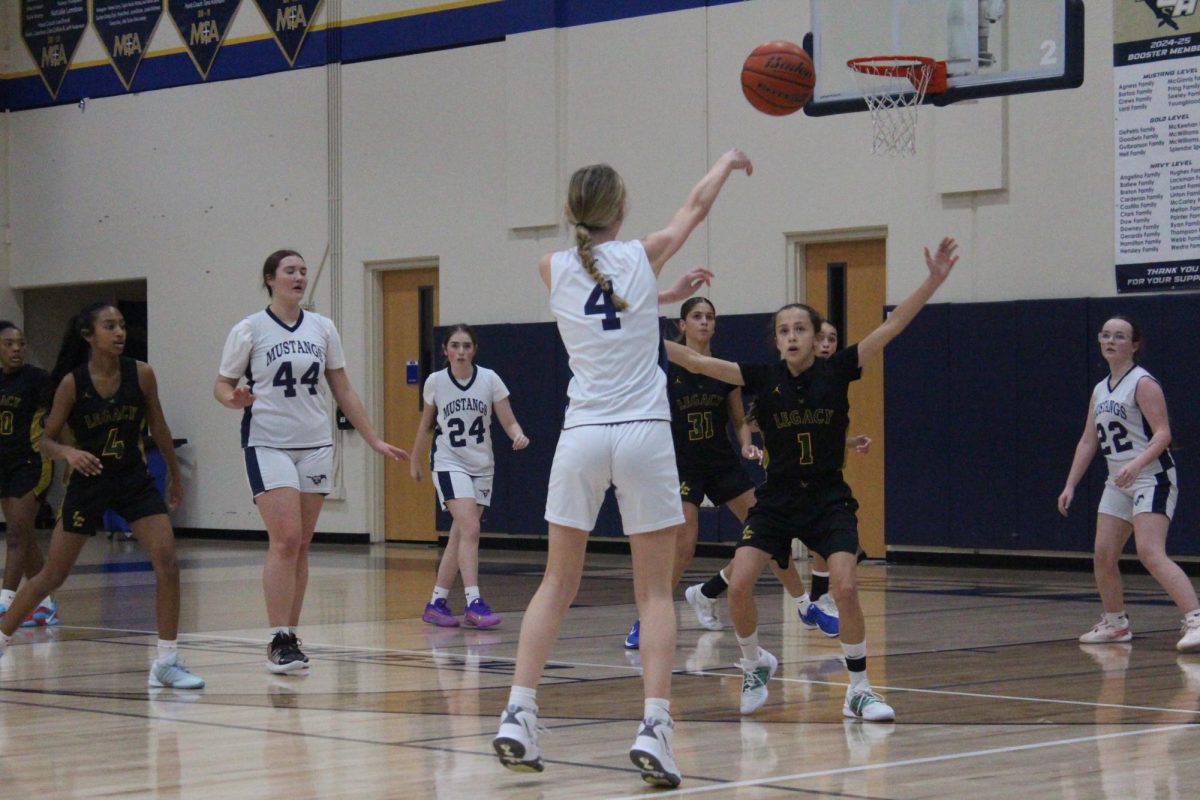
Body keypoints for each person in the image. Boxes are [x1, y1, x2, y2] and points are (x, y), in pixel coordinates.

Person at [493, 149, 753, 789]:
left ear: (572, 212)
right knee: (652, 592)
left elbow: (602, 308)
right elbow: (695, 206)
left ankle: (518, 712)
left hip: (581, 436)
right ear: (621, 209)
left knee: (557, 582)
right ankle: (655, 729)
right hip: (642, 435)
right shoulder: (643, 253)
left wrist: (661, 295)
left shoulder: (551, 266)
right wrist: (722, 163)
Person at [666, 237, 958, 721]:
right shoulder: (760, 376)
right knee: (738, 585)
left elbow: (892, 325)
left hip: (828, 499)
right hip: (777, 500)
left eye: (801, 327)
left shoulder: (838, 369)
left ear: (816, 334)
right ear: (776, 339)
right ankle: (755, 661)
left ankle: (859, 689)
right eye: (784, 330)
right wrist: (622, 330)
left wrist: (933, 280)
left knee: (844, 587)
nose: (793, 336)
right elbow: (694, 361)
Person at [215, 249, 409, 674]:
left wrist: (373, 438)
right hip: (268, 443)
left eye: (303, 271)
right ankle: (277, 637)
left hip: (316, 443)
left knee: (301, 543)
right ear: (270, 279)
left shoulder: (323, 327)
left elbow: (343, 388)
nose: (299, 276)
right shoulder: (249, 329)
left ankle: (291, 636)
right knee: (284, 538)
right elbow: (222, 384)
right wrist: (235, 399)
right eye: (290, 271)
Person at [0, 303, 203, 689]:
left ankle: (166, 661)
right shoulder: (72, 384)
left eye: (122, 325)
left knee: (168, 563)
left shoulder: (141, 374)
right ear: (89, 335)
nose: (120, 332)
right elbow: (45, 439)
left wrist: (175, 476)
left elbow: (159, 426)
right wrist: (69, 453)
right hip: (89, 483)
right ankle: (2, 640)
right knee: (52, 575)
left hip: (133, 480)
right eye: (110, 326)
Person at [685, 319, 870, 638]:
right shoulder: (779, 382)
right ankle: (815, 601)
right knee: (773, 547)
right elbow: (751, 421)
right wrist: (749, 442)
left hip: (819, 483)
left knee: (783, 548)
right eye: (822, 338)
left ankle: (709, 591)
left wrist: (848, 441)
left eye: (833, 339)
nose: (826, 344)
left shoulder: (830, 380)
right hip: (783, 483)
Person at [1057, 315, 1200, 653]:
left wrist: (1136, 465)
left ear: (1134, 344)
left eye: (1119, 336)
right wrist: (1070, 484)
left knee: (1150, 551)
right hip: (1118, 480)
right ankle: (1115, 623)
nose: (1111, 341)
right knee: (1103, 554)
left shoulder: (1143, 383)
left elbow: (1163, 434)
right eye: (1105, 335)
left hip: (1152, 476)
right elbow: (1088, 442)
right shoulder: (1099, 389)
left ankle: (1195, 618)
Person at [411, 323, 529, 629]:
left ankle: (436, 603)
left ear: (474, 350)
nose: (461, 351)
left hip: (482, 466)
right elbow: (426, 425)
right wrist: (415, 459)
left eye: (466, 346)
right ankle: (474, 602)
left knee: (461, 535)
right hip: (449, 462)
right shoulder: (436, 382)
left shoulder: (489, 379)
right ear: (445, 350)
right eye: (455, 345)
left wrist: (518, 435)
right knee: (471, 528)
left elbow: (508, 420)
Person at [0, 321, 57, 627]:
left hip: (32, 463)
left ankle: (5, 602)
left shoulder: (37, 379)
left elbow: (63, 413)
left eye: (20, 343)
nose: (16, 349)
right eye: (9, 344)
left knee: (16, 534)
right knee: (25, 536)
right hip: (4, 464)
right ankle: (45, 604)